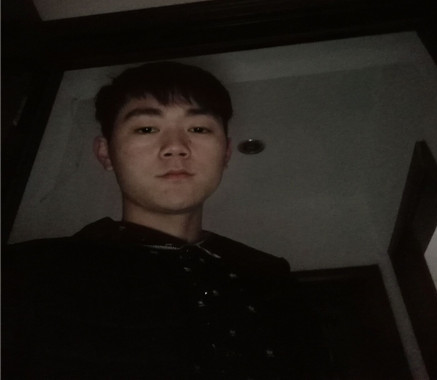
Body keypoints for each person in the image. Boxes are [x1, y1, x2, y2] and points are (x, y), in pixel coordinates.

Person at [4, 62, 332, 379]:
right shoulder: (29, 275)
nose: (175, 147)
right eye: (146, 128)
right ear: (105, 153)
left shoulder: (272, 283)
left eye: (199, 128)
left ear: (226, 153)